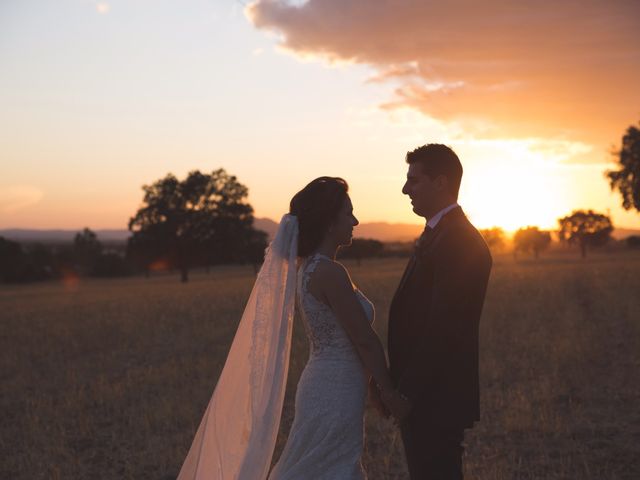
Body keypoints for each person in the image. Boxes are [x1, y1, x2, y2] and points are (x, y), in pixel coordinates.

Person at [177, 177, 408, 480]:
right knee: (327, 468)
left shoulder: (310, 268)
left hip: (327, 383)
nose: (355, 220)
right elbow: (364, 340)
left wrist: (370, 387)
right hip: (334, 390)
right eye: (348, 212)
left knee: (319, 466)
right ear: (328, 221)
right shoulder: (328, 272)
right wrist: (388, 392)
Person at [385, 144, 493, 479]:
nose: (405, 189)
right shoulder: (440, 233)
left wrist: (406, 392)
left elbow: (444, 326)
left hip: (435, 396)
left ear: (441, 182)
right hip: (428, 394)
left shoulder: (458, 240)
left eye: (413, 180)